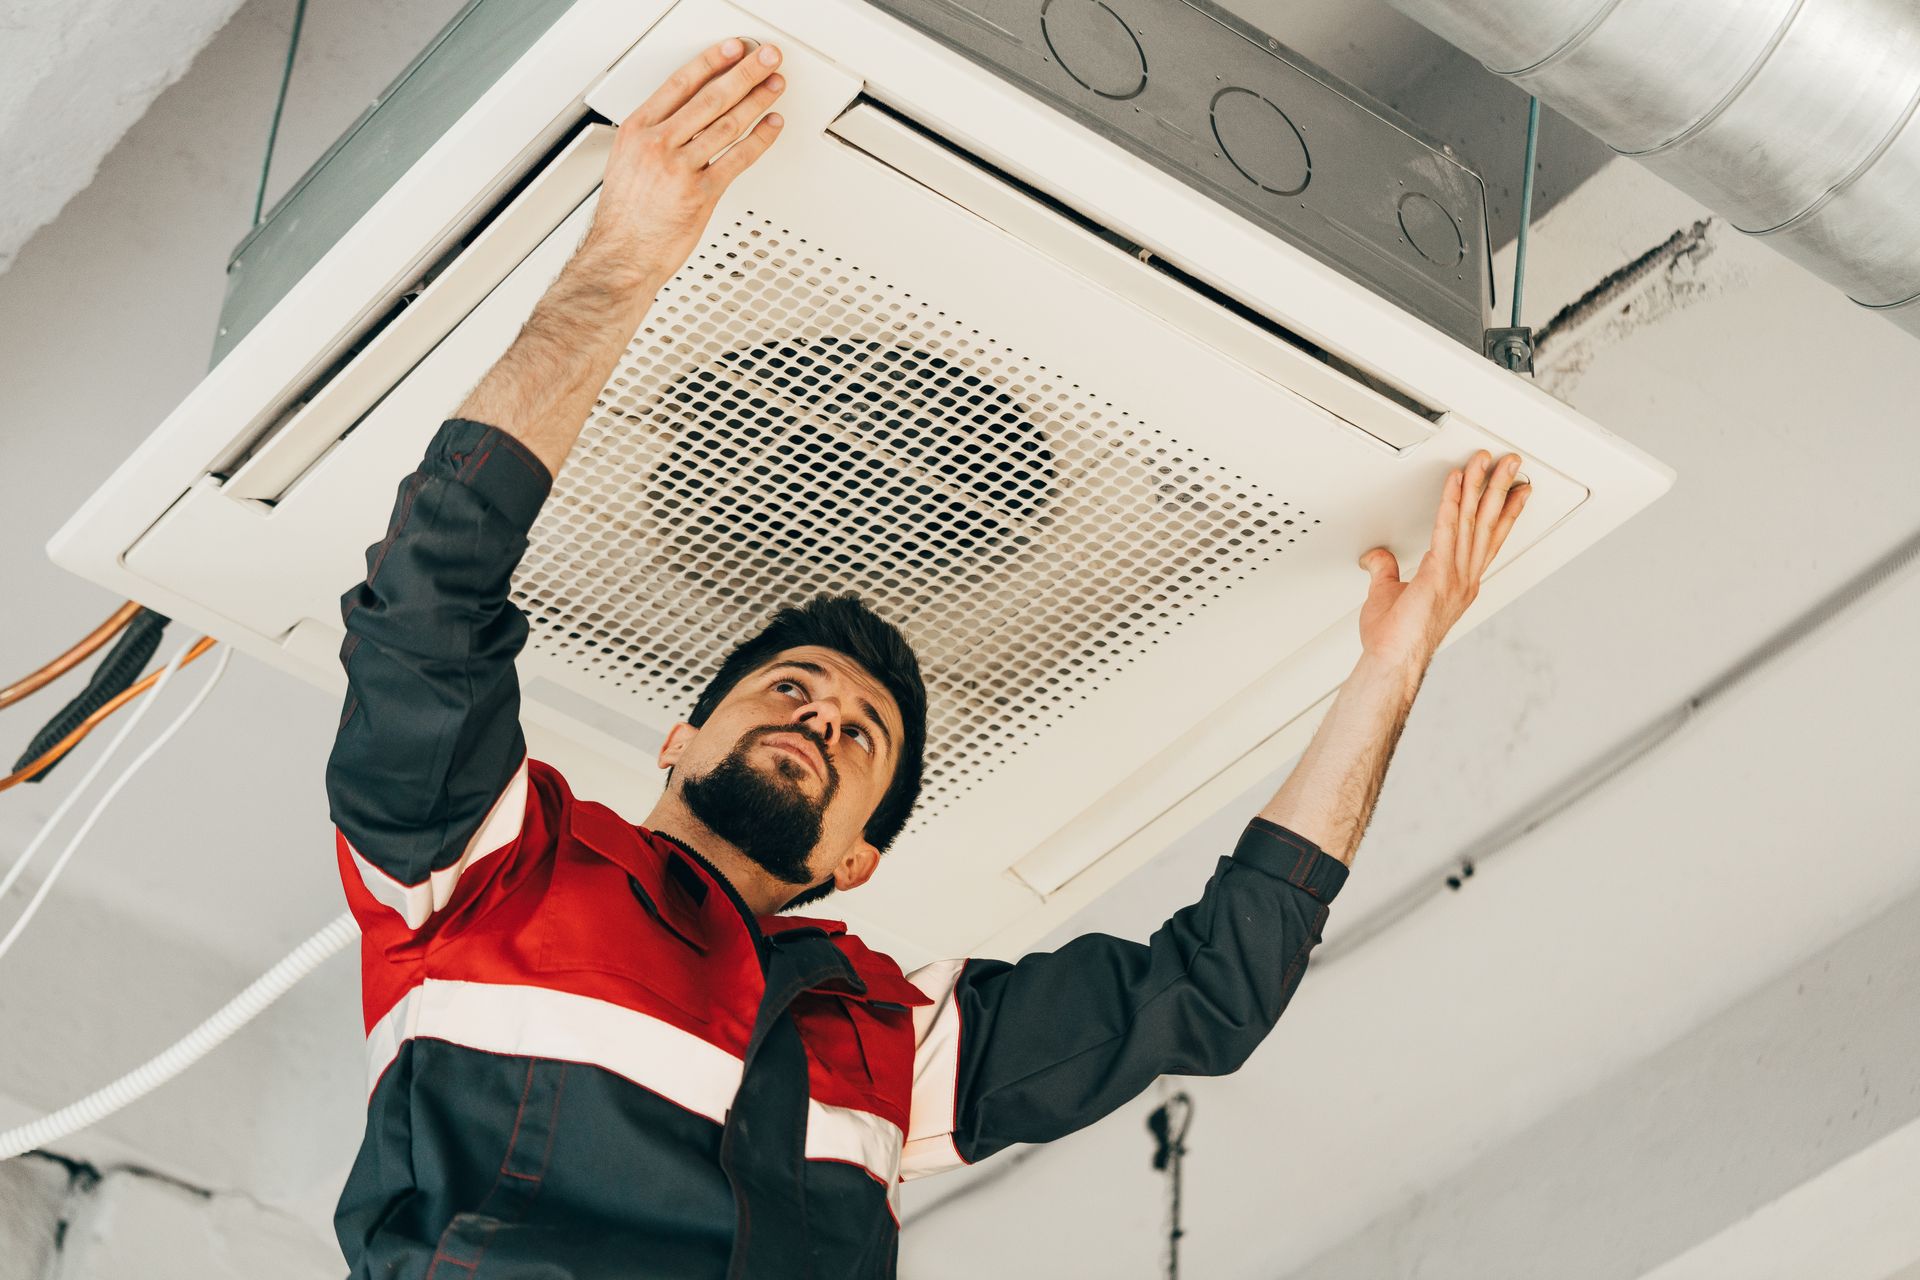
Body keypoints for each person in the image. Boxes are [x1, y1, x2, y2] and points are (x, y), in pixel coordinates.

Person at [323, 35, 1531, 1280]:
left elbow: (1206, 990)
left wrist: (1394, 662)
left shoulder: (892, 1044)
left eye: (857, 735)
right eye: (792, 689)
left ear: (861, 856)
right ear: (678, 738)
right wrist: (625, 255)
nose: (820, 717)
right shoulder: (485, 869)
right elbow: (429, 598)